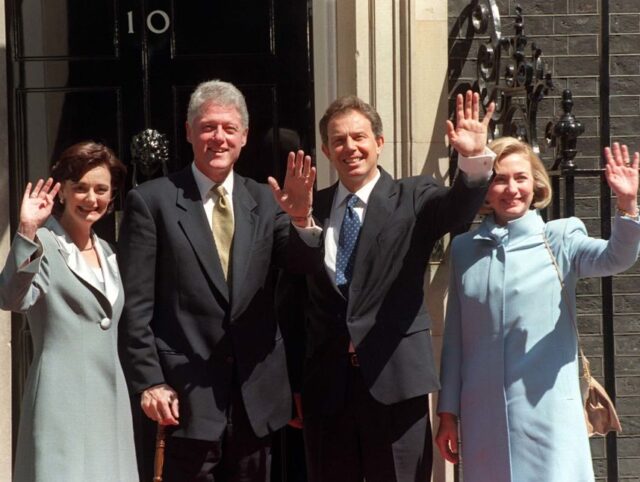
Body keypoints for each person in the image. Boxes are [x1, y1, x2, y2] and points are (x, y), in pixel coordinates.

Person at [117, 79, 320, 482]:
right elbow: (135, 306)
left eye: (229, 128)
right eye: (208, 127)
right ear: (189, 132)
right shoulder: (151, 201)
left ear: (244, 137)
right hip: (184, 400)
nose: (218, 138)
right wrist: (150, 381)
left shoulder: (266, 200)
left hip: (254, 399)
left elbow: (300, 264)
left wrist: (301, 220)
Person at [294, 90, 495, 482]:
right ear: (325, 149)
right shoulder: (307, 208)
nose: (349, 147)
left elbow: (456, 210)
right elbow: (292, 299)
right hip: (327, 388)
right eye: (338, 140)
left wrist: (471, 162)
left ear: (379, 143)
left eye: (359, 137)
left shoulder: (413, 196)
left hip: (395, 382)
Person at [436, 138, 640, 482]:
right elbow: (455, 340)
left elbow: (615, 258)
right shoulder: (463, 249)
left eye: (521, 178)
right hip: (483, 417)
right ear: (486, 189)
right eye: (500, 179)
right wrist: (447, 414)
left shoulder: (560, 238)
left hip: (547, 412)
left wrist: (627, 205)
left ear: (536, 184)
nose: (511, 189)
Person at [0, 142, 138, 482]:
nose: (91, 199)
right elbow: (11, 298)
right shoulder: (44, 244)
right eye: (81, 188)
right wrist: (27, 231)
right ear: (61, 193)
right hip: (60, 403)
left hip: (109, 403)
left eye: (101, 190)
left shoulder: (107, 251)